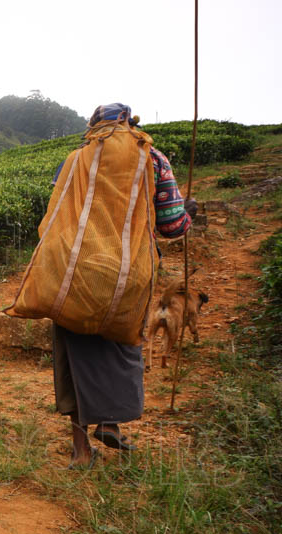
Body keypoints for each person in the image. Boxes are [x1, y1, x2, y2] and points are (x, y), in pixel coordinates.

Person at [52, 103, 196, 469]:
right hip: (131, 272)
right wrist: (188, 214)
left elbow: (56, 215)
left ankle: (81, 451)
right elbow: (172, 226)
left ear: (93, 128)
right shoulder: (154, 158)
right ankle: (111, 423)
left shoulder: (74, 160)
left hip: (79, 271)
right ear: (130, 125)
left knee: (77, 355)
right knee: (122, 341)